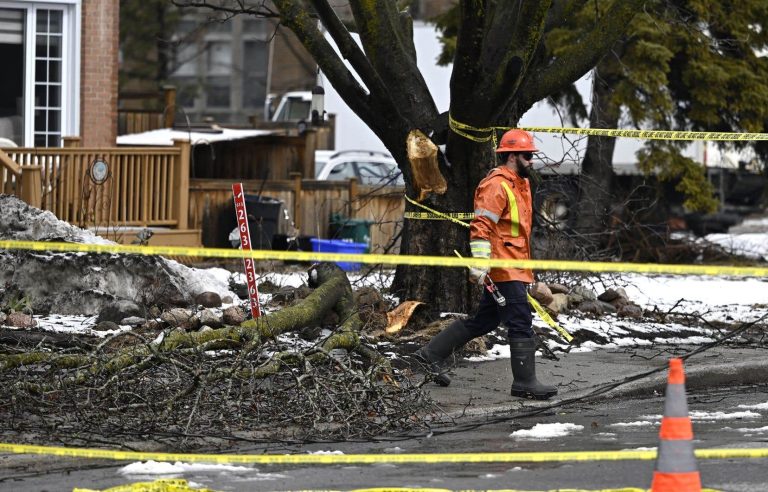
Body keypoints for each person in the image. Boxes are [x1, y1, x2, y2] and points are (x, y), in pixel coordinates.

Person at [414, 129, 557, 400]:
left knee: (485, 320)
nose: (532, 161)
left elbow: (517, 234)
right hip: (503, 268)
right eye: (527, 155)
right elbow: (481, 226)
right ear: (512, 156)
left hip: (515, 266)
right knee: (520, 320)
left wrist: (530, 273)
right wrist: (480, 264)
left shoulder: (520, 184)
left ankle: (429, 354)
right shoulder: (497, 184)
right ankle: (525, 383)